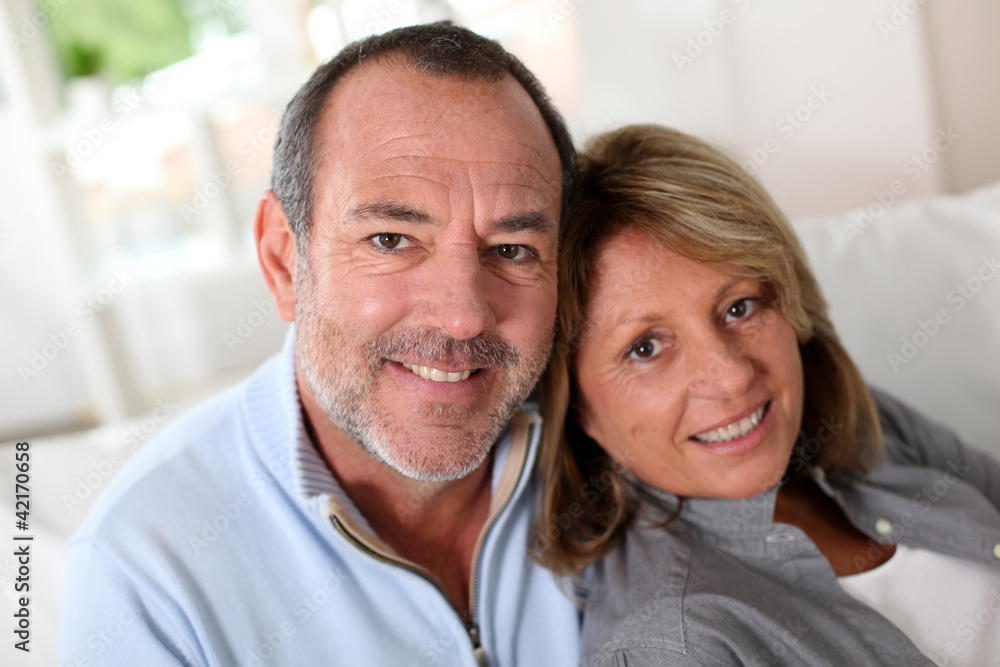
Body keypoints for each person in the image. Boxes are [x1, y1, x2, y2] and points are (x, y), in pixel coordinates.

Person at [59, 23, 582, 666]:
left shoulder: (616, 454)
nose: (463, 318)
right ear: (284, 260)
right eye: (391, 239)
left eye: (511, 250)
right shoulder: (143, 575)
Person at [535, 124, 1000, 666]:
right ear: (576, 404)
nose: (731, 377)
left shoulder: (859, 423)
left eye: (741, 307)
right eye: (645, 348)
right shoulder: (672, 647)